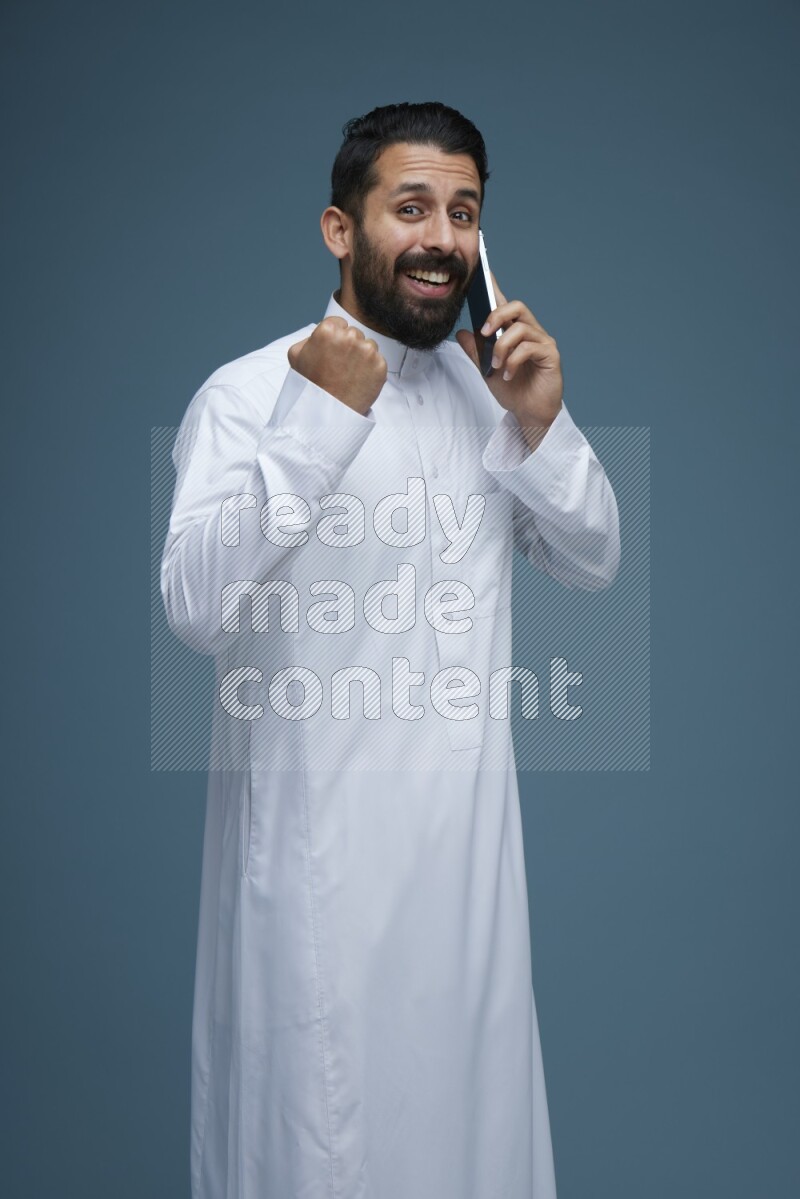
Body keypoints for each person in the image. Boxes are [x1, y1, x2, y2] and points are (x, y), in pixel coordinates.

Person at [161, 101, 620, 1199]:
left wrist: (543, 423)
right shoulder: (247, 392)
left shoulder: (487, 391)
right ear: (339, 229)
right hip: (317, 881)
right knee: (321, 1146)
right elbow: (193, 605)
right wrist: (315, 420)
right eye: (409, 206)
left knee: (474, 1150)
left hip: (467, 888)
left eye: (461, 212)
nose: (441, 237)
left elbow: (592, 554)